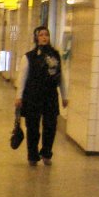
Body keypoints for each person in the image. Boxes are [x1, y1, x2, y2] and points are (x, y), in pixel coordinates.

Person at [15, 25, 68, 166]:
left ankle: (46, 153)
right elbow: (22, 77)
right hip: (32, 96)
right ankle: (32, 155)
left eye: (46, 35)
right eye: (41, 35)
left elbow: (60, 76)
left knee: (50, 126)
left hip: (50, 96)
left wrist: (64, 95)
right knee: (32, 126)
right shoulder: (29, 57)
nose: (44, 37)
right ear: (36, 38)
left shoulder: (55, 55)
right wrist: (19, 96)